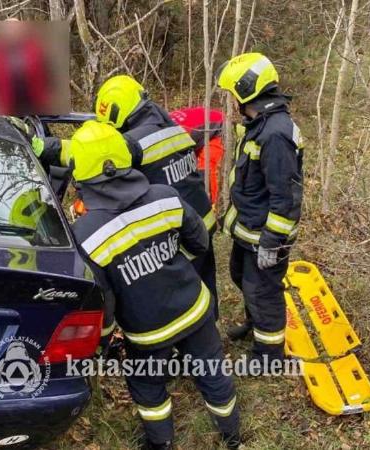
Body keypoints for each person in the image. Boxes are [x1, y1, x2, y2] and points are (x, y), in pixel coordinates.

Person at [67, 120, 240, 450]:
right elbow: (199, 241)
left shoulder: (85, 235)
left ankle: (161, 443)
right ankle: (231, 436)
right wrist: (175, 267)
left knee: (148, 387)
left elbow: (104, 299)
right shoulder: (164, 197)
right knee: (212, 372)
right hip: (196, 309)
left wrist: (103, 340)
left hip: (148, 333)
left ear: (81, 175)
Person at [33, 75, 221, 319]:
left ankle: (181, 339)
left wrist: (42, 146)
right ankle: (209, 324)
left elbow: (87, 154)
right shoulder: (168, 126)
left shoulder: (135, 142)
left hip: (175, 229)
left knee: (174, 293)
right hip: (200, 219)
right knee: (204, 280)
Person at [215, 53, 304, 362]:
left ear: (246, 91)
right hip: (249, 230)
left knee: (263, 292)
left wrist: (272, 242)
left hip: (265, 236)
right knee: (242, 277)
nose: (230, 101)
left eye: (232, 94)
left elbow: (286, 197)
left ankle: (268, 354)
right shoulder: (260, 123)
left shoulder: (276, 134)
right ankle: (256, 325)